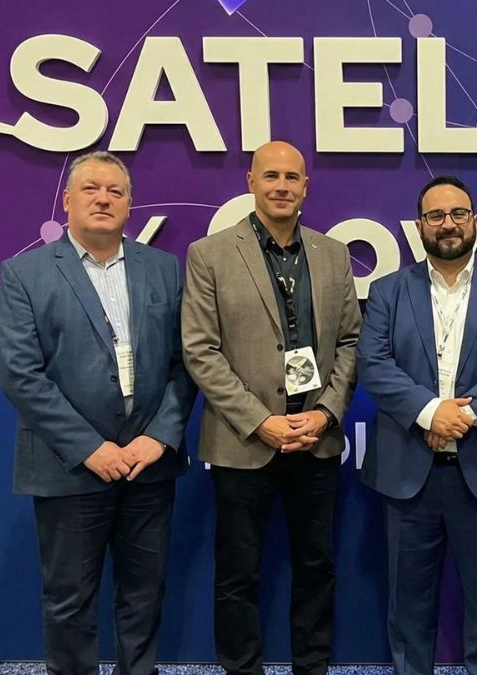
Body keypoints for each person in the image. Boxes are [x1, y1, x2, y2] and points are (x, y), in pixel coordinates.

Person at [0, 151, 195, 675]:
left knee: (145, 595)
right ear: (67, 200)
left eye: (115, 191)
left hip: (148, 465)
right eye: (90, 189)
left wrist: (160, 436)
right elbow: (20, 374)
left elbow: (187, 363)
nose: (103, 199)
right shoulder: (24, 274)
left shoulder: (164, 268)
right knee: (69, 601)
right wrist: (90, 448)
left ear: (129, 205)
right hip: (70, 469)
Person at [181, 140, 361, 675]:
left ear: (306, 186)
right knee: (238, 572)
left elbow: (351, 342)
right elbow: (200, 349)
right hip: (243, 442)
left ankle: (313, 666)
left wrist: (325, 414)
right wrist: (260, 421)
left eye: (292, 177)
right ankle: (242, 668)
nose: (282, 186)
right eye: (271, 176)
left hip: (316, 438)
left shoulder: (333, 254)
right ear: (251, 182)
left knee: (317, 566)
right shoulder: (209, 254)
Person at [357, 175, 477, 675]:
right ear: (419, 225)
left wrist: (459, 416)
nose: (448, 224)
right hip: (409, 472)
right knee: (407, 604)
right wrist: (428, 411)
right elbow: (373, 364)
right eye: (436, 215)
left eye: (458, 213)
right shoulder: (387, 292)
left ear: (476, 221)